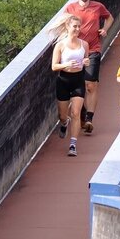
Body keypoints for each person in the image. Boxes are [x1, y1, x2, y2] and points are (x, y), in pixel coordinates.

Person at [63, 0, 112, 135]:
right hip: (75, 51)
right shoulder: (70, 8)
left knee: (91, 85)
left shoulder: (98, 7)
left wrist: (104, 29)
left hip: (93, 50)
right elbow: (63, 25)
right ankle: (82, 114)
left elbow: (109, 17)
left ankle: (89, 119)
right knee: (78, 85)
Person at [51, 15, 86, 157]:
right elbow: (54, 66)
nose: (77, 29)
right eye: (74, 26)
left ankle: (73, 145)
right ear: (68, 27)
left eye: (79, 26)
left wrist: (86, 62)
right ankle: (65, 123)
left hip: (78, 80)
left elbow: (85, 60)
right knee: (62, 116)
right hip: (63, 81)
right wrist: (66, 64)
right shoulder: (60, 45)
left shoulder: (84, 44)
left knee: (76, 113)